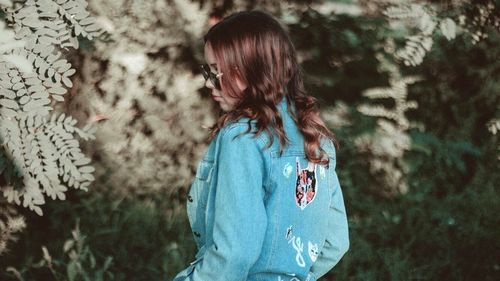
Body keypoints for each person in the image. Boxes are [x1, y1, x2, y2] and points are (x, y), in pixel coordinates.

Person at [173, 10, 349, 281]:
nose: (208, 82)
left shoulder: (242, 138)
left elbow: (234, 253)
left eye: (215, 72)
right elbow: (335, 242)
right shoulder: (317, 136)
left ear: (248, 72)